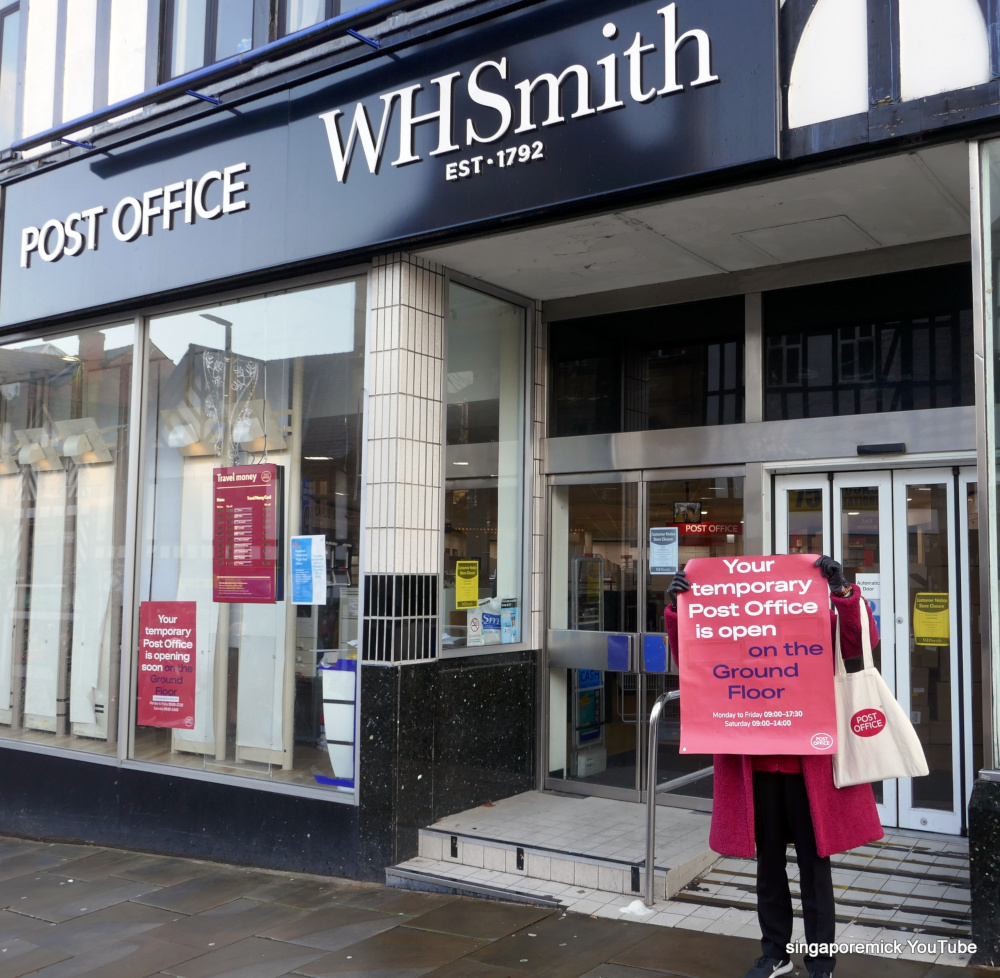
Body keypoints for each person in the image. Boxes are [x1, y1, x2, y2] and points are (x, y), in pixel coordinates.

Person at [664, 556, 883, 978]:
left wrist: (841, 592)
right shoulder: (736, 630)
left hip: (811, 769)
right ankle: (775, 952)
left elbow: (861, 643)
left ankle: (821, 960)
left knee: (814, 866)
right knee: (768, 866)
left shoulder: (821, 622)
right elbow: (694, 657)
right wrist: (680, 611)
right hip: (757, 766)